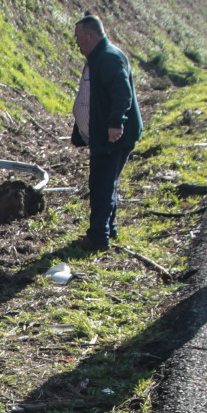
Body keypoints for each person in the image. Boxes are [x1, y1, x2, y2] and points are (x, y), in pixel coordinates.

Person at [69, 15, 143, 251]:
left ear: (91, 35)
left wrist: (115, 124)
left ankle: (99, 238)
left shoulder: (109, 57)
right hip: (106, 132)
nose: (77, 43)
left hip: (113, 135)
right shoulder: (100, 56)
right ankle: (107, 229)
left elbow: (122, 93)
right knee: (106, 182)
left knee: (101, 183)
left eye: (79, 38)